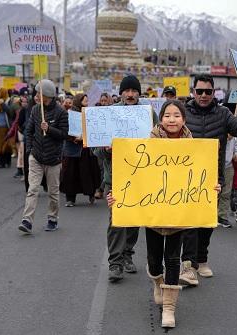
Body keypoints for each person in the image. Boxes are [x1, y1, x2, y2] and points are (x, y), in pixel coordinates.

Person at [107, 99, 220, 328]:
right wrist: (117, 196)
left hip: (179, 215)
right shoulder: (147, 144)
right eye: (167, 115)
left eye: (176, 115)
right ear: (161, 119)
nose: (172, 119)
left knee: (173, 258)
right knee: (154, 260)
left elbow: (201, 177)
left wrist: (212, 187)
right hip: (153, 215)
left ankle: (169, 307)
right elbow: (132, 176)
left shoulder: (195, 148)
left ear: (184, 119)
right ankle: (158, 282)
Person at [179, 74, 237, 286]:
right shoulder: (183, 112)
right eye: (200, 91)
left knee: (207, 223)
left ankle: (202, 259)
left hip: (213, 178)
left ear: (214, 92)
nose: (204, 95)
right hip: (185, 177)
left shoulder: (224, 113)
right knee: (189, 222)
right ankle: (188, 266)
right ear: (193, 92)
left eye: (208, 91)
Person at [95, 75, 159, 282]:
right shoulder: (109, 114)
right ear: (121, 93)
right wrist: (106, 149)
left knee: (133, 220)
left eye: (134, 91)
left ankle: (127, 255)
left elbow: (161, 144)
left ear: (139, 93)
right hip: (115, 178)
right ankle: (115, 263)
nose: (130, 94)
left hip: (140, 178)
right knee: (116, 222)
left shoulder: (149, 115)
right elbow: (96, 151)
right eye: (127, 91)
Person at [18, 79, 68, 234]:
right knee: (32, 189)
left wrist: (50, 129)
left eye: (39, 93)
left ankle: (52, 219)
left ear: (48, 94)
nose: (37, 97)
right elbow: (29, 131)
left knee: (53, 192)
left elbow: (64, 135)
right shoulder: (34, 110)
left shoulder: (61, 112)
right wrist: (30, 149)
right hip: (36, 157)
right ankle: (27, 221)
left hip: (53, 159)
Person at [60, 93, 101, 207]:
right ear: (79, 101)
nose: (87, 103)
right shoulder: (69, 114)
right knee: (71, 174)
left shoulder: (89, 114)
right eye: (85, 101)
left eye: (87, 101)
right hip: (72, 150)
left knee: (88, 172)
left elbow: (94, 127)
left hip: (86, 149)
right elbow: (64, 130)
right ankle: (70, 198)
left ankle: (91, 195)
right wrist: (73, 137)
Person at [217, 134, 237, 228]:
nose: (231, 135)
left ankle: (222, 217)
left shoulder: (234, 139)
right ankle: (211, 215)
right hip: (216, 166)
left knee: (226, 193)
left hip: (228, 167)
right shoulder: (218, 136)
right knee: (214, 191)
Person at [0, 88, 13, 168]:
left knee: (7, 145)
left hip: (7, 127)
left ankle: (8, 161)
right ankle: (2, 163)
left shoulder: (8, 101)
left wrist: (3, 104)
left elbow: (10, 112)